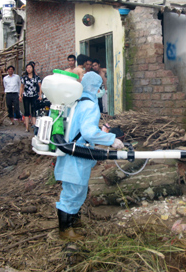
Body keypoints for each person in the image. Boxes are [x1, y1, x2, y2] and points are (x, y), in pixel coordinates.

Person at [54, 72, 124, 240]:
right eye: (100, 87)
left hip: (71, 154)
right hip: (76, 157)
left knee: (78, 191)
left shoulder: (76, 101)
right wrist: (111, 140)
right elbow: (88, 132)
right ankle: (65, 231)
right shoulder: (90, 106)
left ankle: (74, 222)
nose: (101, 90)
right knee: (72, 193)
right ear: (96, 88)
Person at [19, 63, 42, 132]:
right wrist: (20, 95)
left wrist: (40, 95)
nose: (28, 69)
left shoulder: (36, 78)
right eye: (27, 68)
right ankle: (27, 127)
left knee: (33, 111)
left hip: (34, 96)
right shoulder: (24, 78)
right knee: (26, 111)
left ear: (32, 69)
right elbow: (22, 87)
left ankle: (34, 127)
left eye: (30, 68)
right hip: (26, 96)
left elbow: (40, 86)